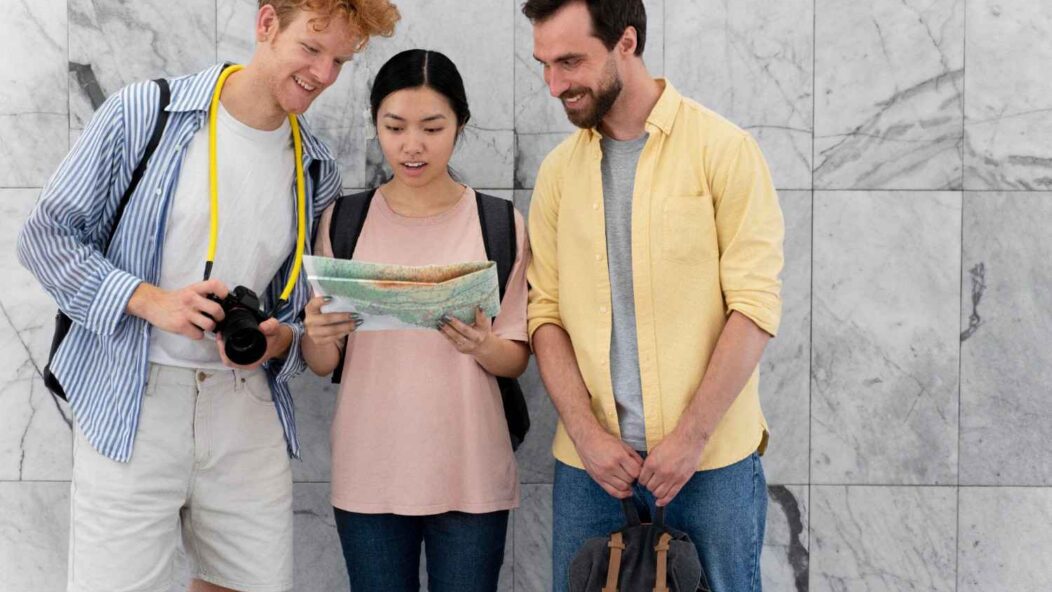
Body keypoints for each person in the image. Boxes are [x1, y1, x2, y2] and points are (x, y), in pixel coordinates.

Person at [16, 2, 399, 591]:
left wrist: (281, 339)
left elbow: (301, 317)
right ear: (267, 24)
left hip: (243, 406)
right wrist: (151, 300)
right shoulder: (149, 113)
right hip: (132, 402)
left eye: (340, 62)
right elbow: (45, 236)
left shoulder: (315, 166)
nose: (324, 75)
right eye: (312, 49)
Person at [521, 1, 785, 590]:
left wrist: (691, 437)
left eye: (570, 61)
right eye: (544, 64)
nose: (554, 84)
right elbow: (546, 314)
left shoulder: (724, 150)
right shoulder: (558, 173)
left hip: (710, 463)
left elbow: (755, 306)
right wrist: (588, 437)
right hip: (590, 468)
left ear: (626, 42)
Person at [301, 48, 531, 592]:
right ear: (376, 124)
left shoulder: (497, 222)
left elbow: (516, 356)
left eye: (432, 127)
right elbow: (321, 363)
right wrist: (317, 333)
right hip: (369, 470)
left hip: (470, 471)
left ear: (460, 126)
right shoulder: (345, 219)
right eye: (395, 126)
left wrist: (480, 344)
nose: (412, 145)